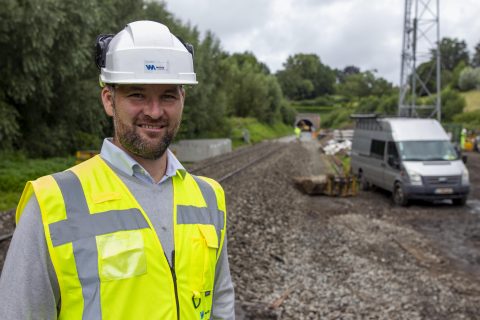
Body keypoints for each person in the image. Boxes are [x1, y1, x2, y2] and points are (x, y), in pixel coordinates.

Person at [0, 20, 235, 319]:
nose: (154, 111)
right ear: (109, 101)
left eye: (167, 96)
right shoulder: (52, 203)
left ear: (182, 100)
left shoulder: (209, 197)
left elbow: (220, 297)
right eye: (137, 95)